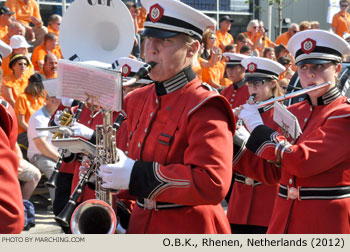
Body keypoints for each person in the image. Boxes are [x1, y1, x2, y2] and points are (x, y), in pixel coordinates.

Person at [93, 0, 235, 234]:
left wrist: (135, 174)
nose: (152, 49)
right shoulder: (136, 99)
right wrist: (106, 175)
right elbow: (128, 170)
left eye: (165, 40)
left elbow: (212, 183)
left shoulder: (206, 105)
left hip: (190, 229)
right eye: (149, 39)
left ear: (192, 49)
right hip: (142, 224)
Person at [237, 29, 350, 233]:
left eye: (319, 66)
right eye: (303, 67)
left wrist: (257, 128)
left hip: (325, 223)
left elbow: (302, 162)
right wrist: (234, 141)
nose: (310, 74)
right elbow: (274, 172)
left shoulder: (344, 115)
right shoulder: (293, 111)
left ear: (337, 69)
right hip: (283, 220)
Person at [228, 56, 284, 234]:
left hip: (267, 200)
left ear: (273, 83)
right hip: (239, 198)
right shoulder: (241, 112)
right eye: (249, 84)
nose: (252, 89)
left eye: (258, 84)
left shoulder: (283, 116)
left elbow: (278, 158)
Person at [27, 81, 61, 207]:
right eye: (59, 99)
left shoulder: (57, 115)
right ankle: (58, 207)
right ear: (52, 100)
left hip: (54, 154)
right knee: (55, 172)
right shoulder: (38, 117)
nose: (62, 102)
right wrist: (59, 159)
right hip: (40, 155)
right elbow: (41, 146)